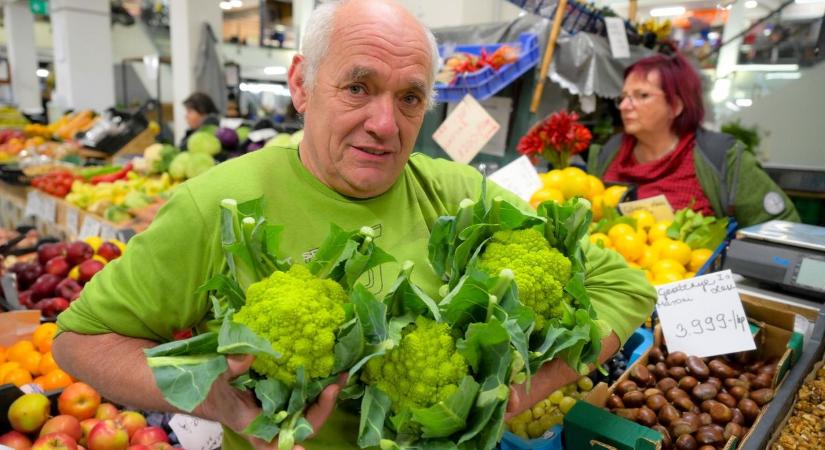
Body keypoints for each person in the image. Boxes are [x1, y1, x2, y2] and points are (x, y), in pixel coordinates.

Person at [52, 1, 656, 449]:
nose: (384, 124)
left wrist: (517, 392)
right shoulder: (219, 206)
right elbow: (80, 340)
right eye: (358, 87)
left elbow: (625, 286)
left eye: (410, 98)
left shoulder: (459, 196)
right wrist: (214, 398)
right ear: (301, 84)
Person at [588, 54, 799, 228]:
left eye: (641, 95)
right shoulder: (608, 154)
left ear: (675, 106)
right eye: (623, 97)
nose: (624, 106)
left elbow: (780, 226)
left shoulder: (722, 158)